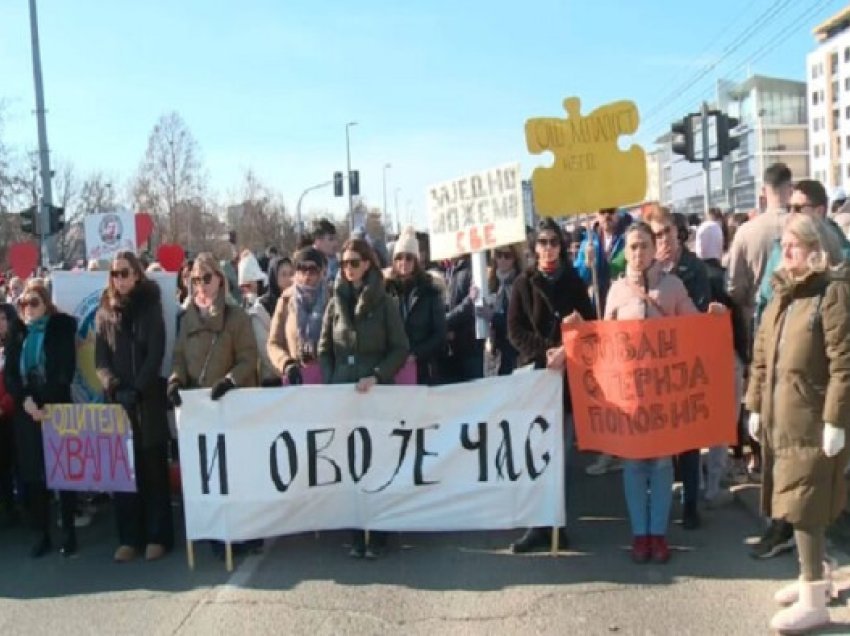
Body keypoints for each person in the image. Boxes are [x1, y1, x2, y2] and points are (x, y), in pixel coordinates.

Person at [746, 213, 850, 633]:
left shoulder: (832, 294)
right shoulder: (782, 295)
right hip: (781, 417)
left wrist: (836, 420)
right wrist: (753, 404)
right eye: (783, 244)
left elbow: (844, 363)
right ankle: (813, 578)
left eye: (793, 244)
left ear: (815, 249)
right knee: (792, 500)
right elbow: (760, 355)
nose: (785, 251)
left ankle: (813, 600)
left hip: (810, 418)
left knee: (806, 507)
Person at [600, 222, 725, 563]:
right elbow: (602, 343)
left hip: (664, 395)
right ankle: (640, 534)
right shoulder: (616, 292)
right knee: (634, 465)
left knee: (660, 466)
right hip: (631, 395)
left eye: (644, 245)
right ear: (625, 253)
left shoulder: (672, 287)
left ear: (654, 249)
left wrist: (713, 319)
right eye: (633, 247)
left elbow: (693, 329)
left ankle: (658, 533)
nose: (639, 253)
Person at [506, 217, 595, 553]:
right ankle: (535, 526)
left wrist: (568, 347)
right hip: (535, 377)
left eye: (553, 242)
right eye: (542, 242)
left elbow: (590, 327)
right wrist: (546, 353)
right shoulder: (522, 284)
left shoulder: (574, 281)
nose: (548, 248)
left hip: (567, 381)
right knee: (534, 453)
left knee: (559, 457)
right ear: (534, 248)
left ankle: (556, 522)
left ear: (561, 246)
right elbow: (514, 330)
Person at [318, 238, 408, 558]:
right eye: (344, 264)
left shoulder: (385, 303)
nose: (349, 269)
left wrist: (379, 375)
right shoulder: (334, 302)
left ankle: (380, 530)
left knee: (377, 460)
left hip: (375, 392)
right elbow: (325, 349)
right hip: (345, 392)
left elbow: (400, 347)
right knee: (350, 461)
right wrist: (332, 381)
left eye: (355, 262)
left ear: (368, 264)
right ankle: (356, 530)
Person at [726, 162, 797, 559]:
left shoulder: (748, 232)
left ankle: (778, 507)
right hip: (796, 331)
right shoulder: (805, 227)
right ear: (787, 189)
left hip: (759, 328)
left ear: (764, 189)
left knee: (766, 414)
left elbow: (733, 287)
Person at [167, 253, 259, 557]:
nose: (201, 285)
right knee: (208, 472)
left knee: (236, 471)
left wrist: (231, 381)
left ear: (220, 279)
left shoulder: (237, 317)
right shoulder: (187, 318)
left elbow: (249, 357)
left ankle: (245, 531)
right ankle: (216, 533)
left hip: (231, 403)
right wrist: (176, 381)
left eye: (207, 278)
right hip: (200, 408)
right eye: (195, 279)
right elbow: (179, 356)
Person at [94, 251, 173, 562]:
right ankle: (130, 536)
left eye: (125, 273)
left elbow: (156, 353)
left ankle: (158, 535)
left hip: (147, 399)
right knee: (124, 472)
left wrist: (137, 388)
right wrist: (114, 386)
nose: (120, 279)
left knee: (153, 468)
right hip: (118, 402)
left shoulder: (151, 308)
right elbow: (100, 360)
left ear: (137, 274)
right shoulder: (103, 313)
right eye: (115, 274)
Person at [646, 208, 711, 530]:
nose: (664, 239)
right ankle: (663, 496)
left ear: (678, 232)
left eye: (667, 231)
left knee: (687, 439)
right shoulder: (647, 272)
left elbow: (697, 316)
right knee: (661, 438)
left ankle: (690, 503)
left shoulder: (694, 268)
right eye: (656, 234)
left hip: (684, 364)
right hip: (657, 368)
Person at [3, 279, 78, 557]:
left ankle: (68, 530)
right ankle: (41, 532)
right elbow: (11, 373)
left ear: (46, 305)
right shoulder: (17, 334)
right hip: (27, 411)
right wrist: (26, 400)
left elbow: (64, 369)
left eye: (34, 302)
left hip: (54, 406)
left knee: (64, 471)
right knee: (34, 474)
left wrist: (44, 400)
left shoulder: (59, 330)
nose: (28, 308)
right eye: (23, 303)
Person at [385, 228, 447, 385]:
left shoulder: (430, 291)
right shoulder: (385, 290)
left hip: (423, 368)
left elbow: (439, 333)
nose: (403, 262)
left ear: (416, 261)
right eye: (399, 258)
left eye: (408, 258)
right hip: (393, 366)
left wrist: (416, 353)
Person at [268, 248, 328, 385]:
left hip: (327, 378)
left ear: (321, 272)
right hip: (296, 378)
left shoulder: (332, 298)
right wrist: (286, 363)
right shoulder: (285, 300)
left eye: (312, 269)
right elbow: (273, 342)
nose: (307, 274)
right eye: (301, 268)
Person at [573, 208, 627, 315]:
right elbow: (578, 279)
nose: (607, 215)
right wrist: (587, 264)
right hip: (598, 304)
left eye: (611, 211)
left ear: (618, 213)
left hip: (623, 302)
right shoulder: (588, 242)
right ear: (596, 215)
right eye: (602, 212)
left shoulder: (628, 239)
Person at [480, 243, 522, 375]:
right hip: (496, 349)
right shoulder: (490, 283)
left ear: (515, 259)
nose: (502, 260)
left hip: (516, 351)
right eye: (499, 255)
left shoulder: (521, 282)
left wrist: (493, 316)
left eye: (507, 256)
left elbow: (519, 320)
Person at [443, 254, 484, 383]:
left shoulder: (473, 269)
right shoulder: (448, 270)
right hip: (452, 346)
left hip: (469, 345)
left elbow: (471, 306)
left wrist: (444, 322)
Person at [254, 256, 293, 386]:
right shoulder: (260, 309)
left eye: (291, 274)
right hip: (273, 380)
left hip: (298, 377)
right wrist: (286, 369)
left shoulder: (299, 302)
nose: (289, 279)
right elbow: (265, 350)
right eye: (283, 274)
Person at [0, 303, 21, 526]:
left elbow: (15, 380)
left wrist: (4, 406)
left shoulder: (17, 343)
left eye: (3, 319)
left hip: (13, 415)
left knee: (17, 462)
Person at [311, 218, 340, 285]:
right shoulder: (308, 262)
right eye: (331, 239)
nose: (336, 243)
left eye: (335, 239)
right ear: (318, 241)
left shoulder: (337, 261)